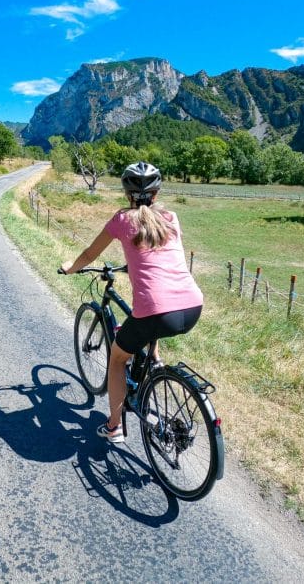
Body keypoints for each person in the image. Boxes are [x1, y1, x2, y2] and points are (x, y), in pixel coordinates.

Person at [60, 161, 203, 443]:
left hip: (156, 312)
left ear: (127, 193)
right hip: (192, 306)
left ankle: (114, 427)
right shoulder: (172, 218)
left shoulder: (122, 220)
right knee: (147, 323)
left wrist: (71, 268)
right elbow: (160, 257)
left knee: (116, 358)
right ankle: (155, 363)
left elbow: (90, 254)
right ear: (157, 193)